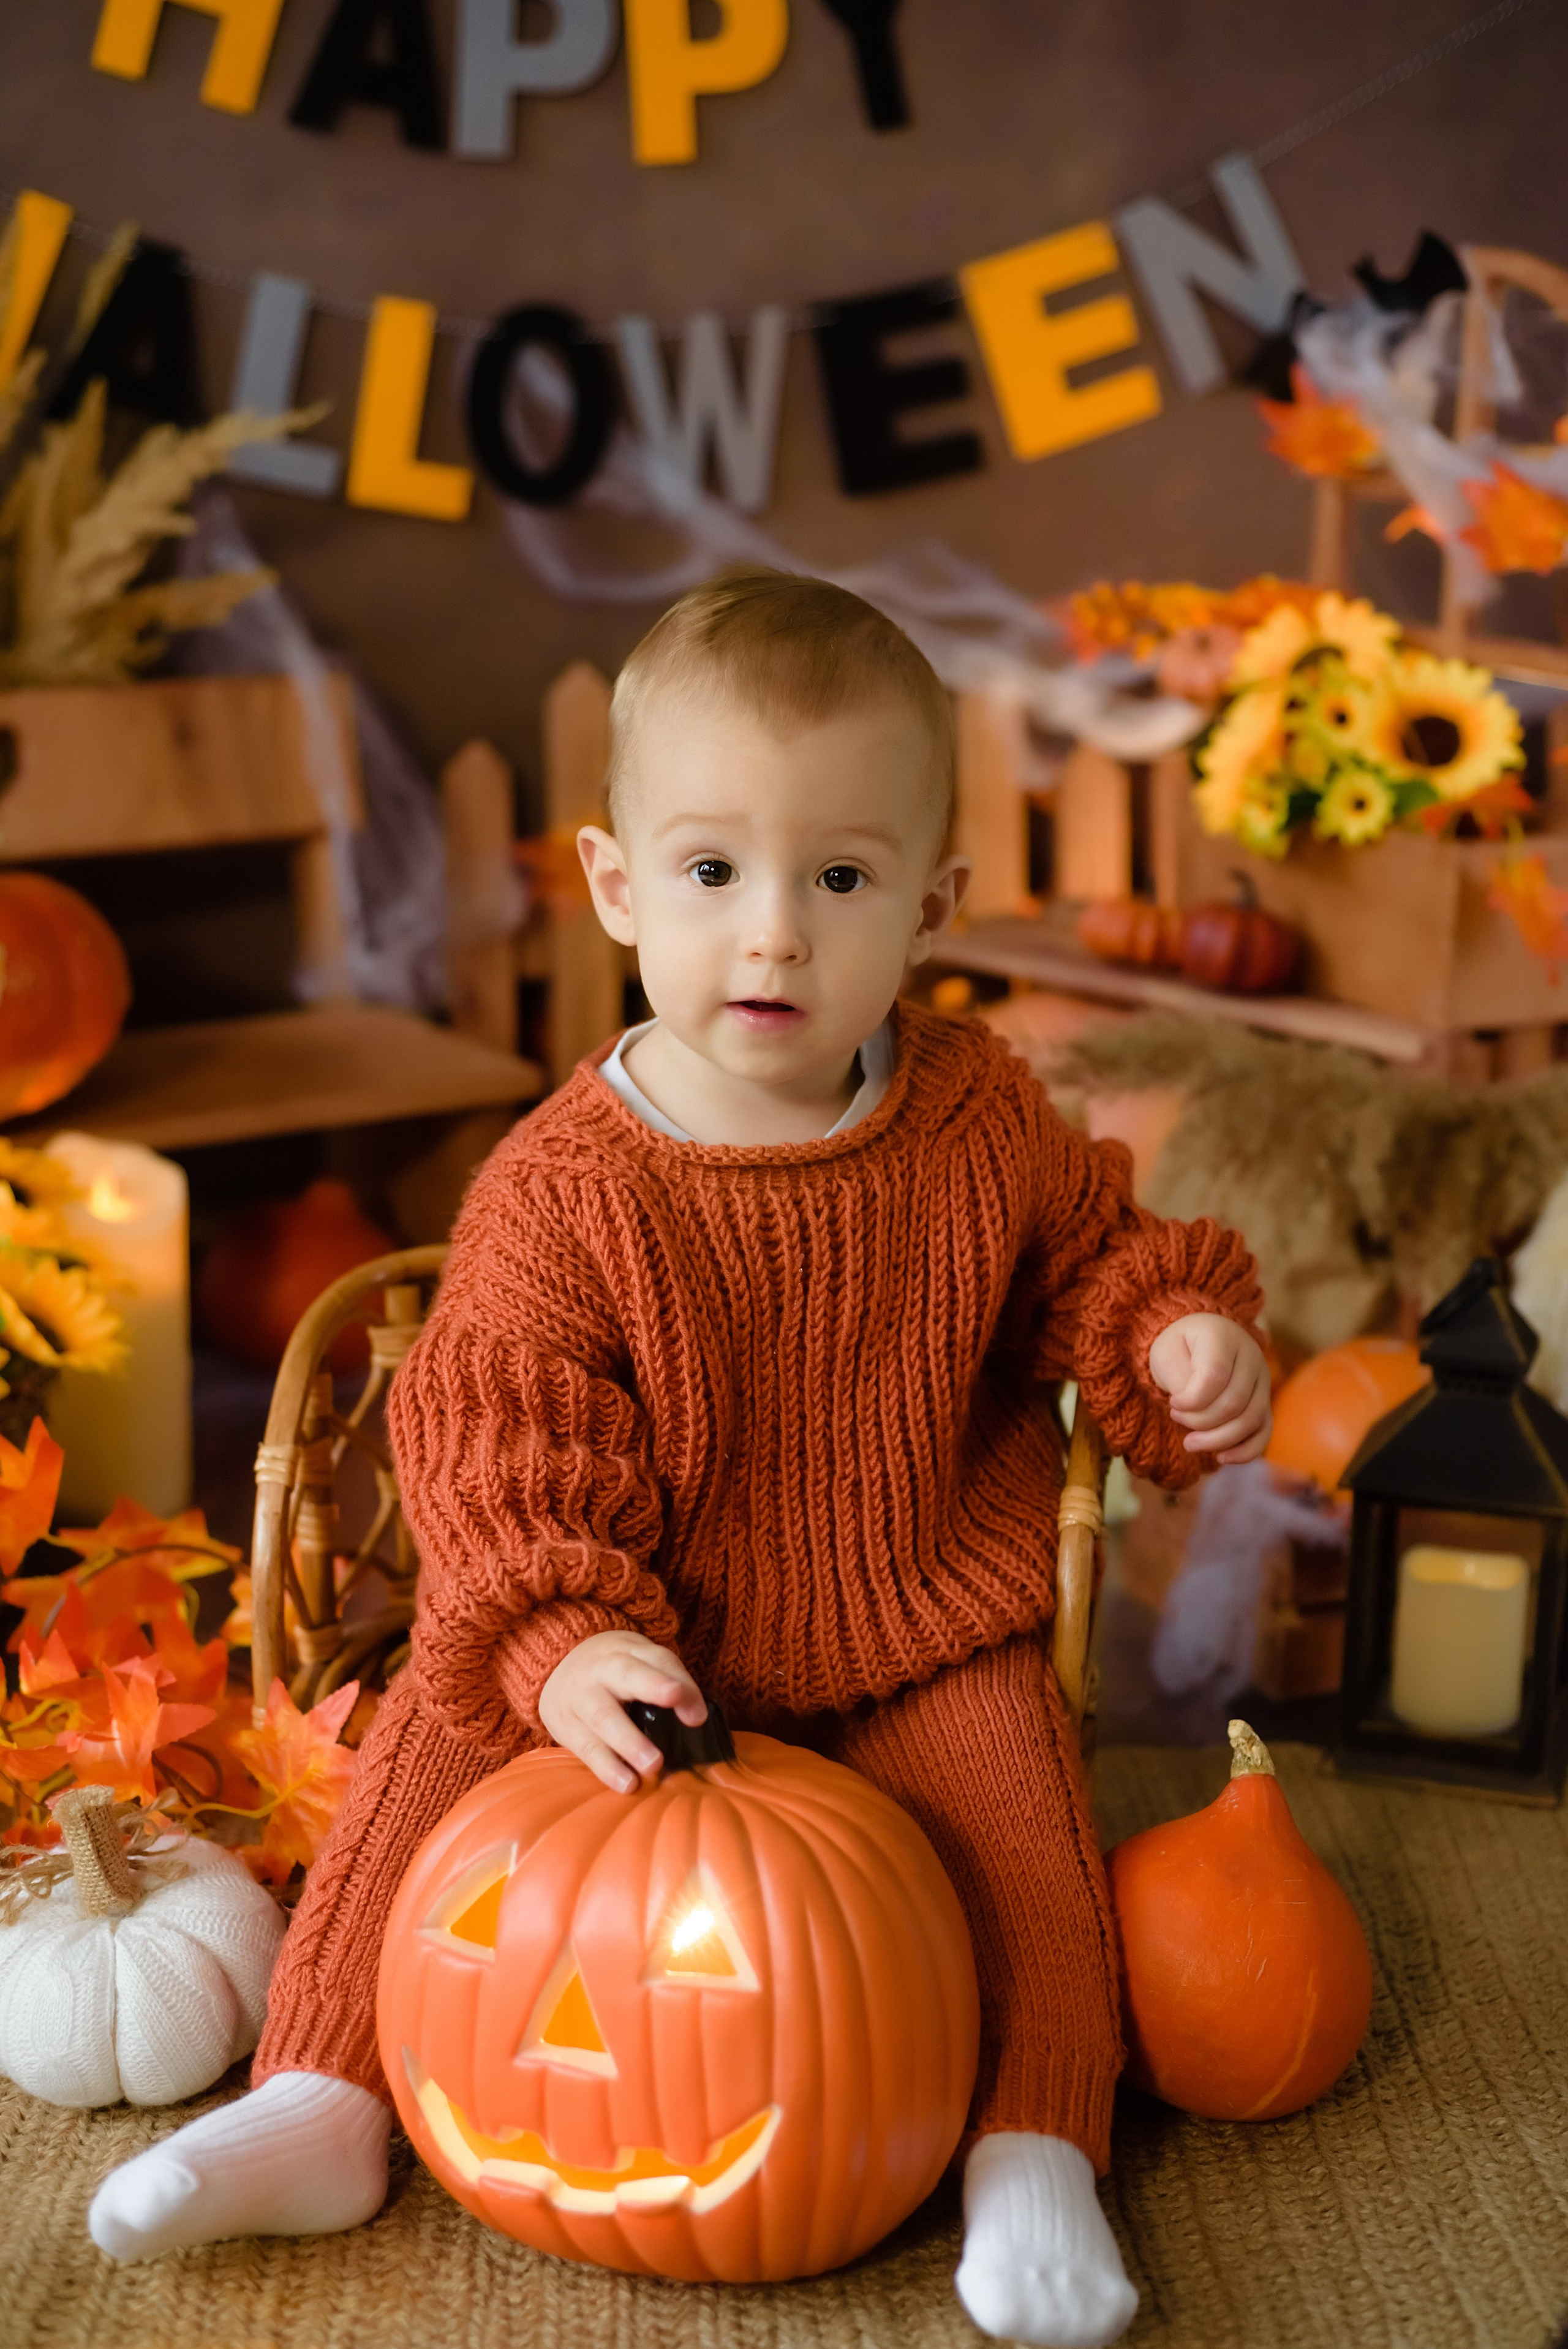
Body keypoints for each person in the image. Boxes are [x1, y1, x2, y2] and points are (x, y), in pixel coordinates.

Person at [91, 570, 1269, 2349]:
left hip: (913, 1626)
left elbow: (1091, 1255)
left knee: (1028, 1826)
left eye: (841, 877)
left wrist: (1176, 1330)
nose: (776, 935)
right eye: (715, 874)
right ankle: (323, 2090)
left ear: (933, 906)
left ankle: (1037, 2142)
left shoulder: (974, 1113)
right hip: (643, 1645)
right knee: (431, 1745)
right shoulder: (571, 1186)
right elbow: (495, 1434)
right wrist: (559, 1641)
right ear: (619, 884)